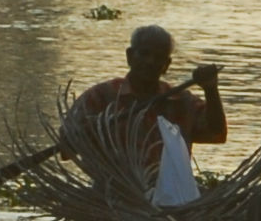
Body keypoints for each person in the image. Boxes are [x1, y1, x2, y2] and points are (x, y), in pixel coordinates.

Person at [63, 24, 227, 208]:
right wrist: (89, 132)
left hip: (170, 202)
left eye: (158, 58)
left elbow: (217, 133)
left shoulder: (180, 101)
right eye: (144, 54)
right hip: (112, 201)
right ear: (130, 56)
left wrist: (211, 89)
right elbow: (66, 146)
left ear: (166, 65)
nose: (150, 62)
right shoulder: (101, 98)